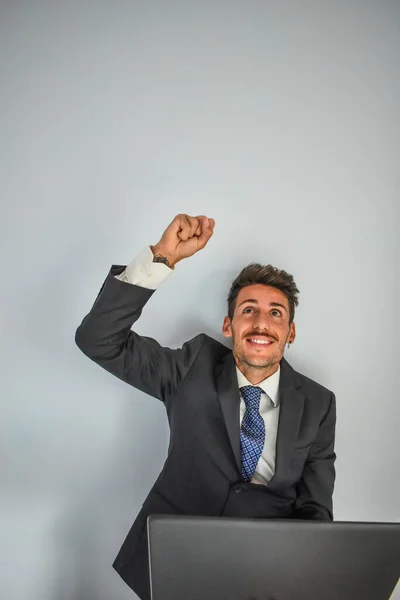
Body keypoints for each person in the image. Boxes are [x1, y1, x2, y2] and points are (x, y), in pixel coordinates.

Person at [75, 214, 336, 600]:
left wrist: (298, 578)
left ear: (290, 333)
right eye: (248, 310)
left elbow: (315, 509)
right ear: (228, 326)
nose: (261, 323)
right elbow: (98, 340)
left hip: (263, 573)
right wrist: (163, 256)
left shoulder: (319, 403)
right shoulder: (190, 365)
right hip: (172, 560)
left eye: (276, 313)